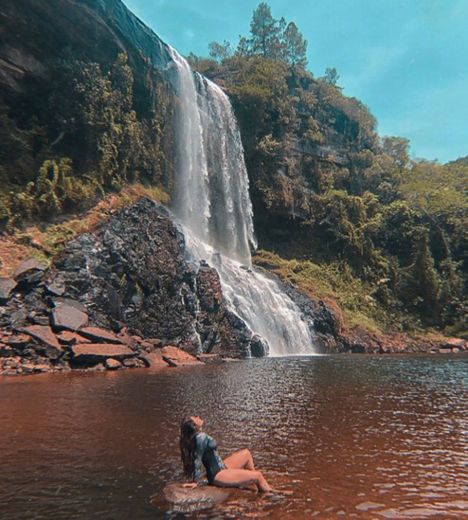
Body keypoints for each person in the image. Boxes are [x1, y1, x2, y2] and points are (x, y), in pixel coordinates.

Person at [179, 415, 272, 492]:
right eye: (195, 417)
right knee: (258, 476)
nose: (198, 417)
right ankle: (270, 493)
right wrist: (195, 481)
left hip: (221, 466)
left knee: (246, 454)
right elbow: (197, 459)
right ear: (194, 425)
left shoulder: (198, 437)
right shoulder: (201, 437)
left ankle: (252, 483)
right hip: (218, 474)